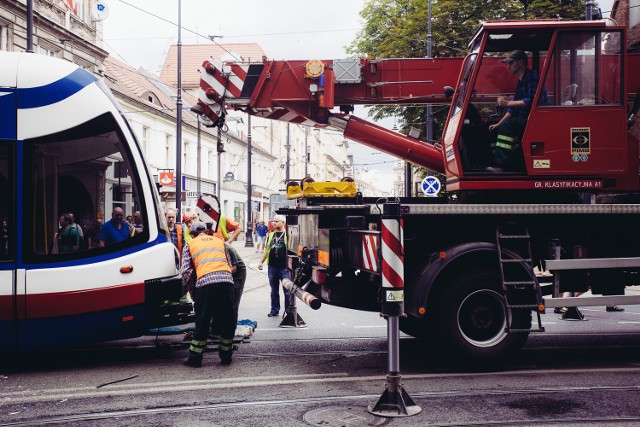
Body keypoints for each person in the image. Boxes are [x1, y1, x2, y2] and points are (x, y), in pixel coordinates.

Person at [181, 221, 235, 367]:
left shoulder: (190, 244)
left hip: (206, 284)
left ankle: (195, 358)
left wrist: (186, 290)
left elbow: (186, 271)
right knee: (227, 319)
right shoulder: (219, 242)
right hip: (226, 282)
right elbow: (229, 265)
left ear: (192, 234)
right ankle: (226, 355)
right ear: (206, 231)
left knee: (203, 320)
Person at [487, 50, 547, 173]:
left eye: (511, 63)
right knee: (496, 127)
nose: (508, 66)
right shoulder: (521, 81)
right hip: (527, 119)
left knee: (508, 125)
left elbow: (532, 100)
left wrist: (507, 103)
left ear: (520, 62)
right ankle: (491, 162)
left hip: (537, 120)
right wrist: (498, 123)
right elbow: (513, 108)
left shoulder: (532, 77)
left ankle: (502, 166)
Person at [258, 215, 292, 317]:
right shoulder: (271, 235)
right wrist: (261, 261)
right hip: (272, 267)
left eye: (276, 221)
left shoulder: (288, 234)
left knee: (287, 291)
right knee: (274, 291)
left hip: (284, 267)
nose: (274, 223)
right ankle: (274, 310)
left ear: (283, 222)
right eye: (273, 221)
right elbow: (266, 250)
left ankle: (289, 311)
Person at [225, 242, 247, 326]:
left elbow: (234, 269)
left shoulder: (228, 248)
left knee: (233, 301)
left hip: (238, 274)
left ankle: (231, 328)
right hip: (226, 272)